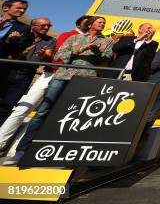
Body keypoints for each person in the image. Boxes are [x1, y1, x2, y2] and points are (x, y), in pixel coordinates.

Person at [4, 16, 113, 165]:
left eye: (104, 23)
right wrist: (81, 50)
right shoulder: (74, 38)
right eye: (99, 22)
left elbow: (106, 60)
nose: (102, 24)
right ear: (90, 24)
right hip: (62, 76)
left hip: (85, 79)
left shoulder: (106, 42)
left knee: (72, 115)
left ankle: (60, 155)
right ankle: (22, 152)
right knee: (43, 111)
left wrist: (97, 52)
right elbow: (60, 55)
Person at [0, 17, 88, 153]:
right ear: (78, 23)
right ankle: (1, 141)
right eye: (87, 22)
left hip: (70, 77)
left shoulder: (93, 40)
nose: (90, 24)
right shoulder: (66, 35)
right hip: (51, 74)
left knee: (47, 113)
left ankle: (17, 149)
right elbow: (56, 55)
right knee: (25, 107)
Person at [0, 18, 55, 126]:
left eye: (49, 26)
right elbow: (7, 53)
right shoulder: (20, 34)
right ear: (33, 26)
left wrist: (45, 56)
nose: (46, 28)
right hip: (8, 70)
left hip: (26, 74)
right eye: (43, 25)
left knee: (8, 104)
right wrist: (20, 54)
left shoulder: (51, 40)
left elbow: (47, 59)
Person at [0, 0, 32, 117]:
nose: (22, 11)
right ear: (5, 8)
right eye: (19, 8)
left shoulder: (23, 28)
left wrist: (9, 41)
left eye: (24, 9)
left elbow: (16, 51)